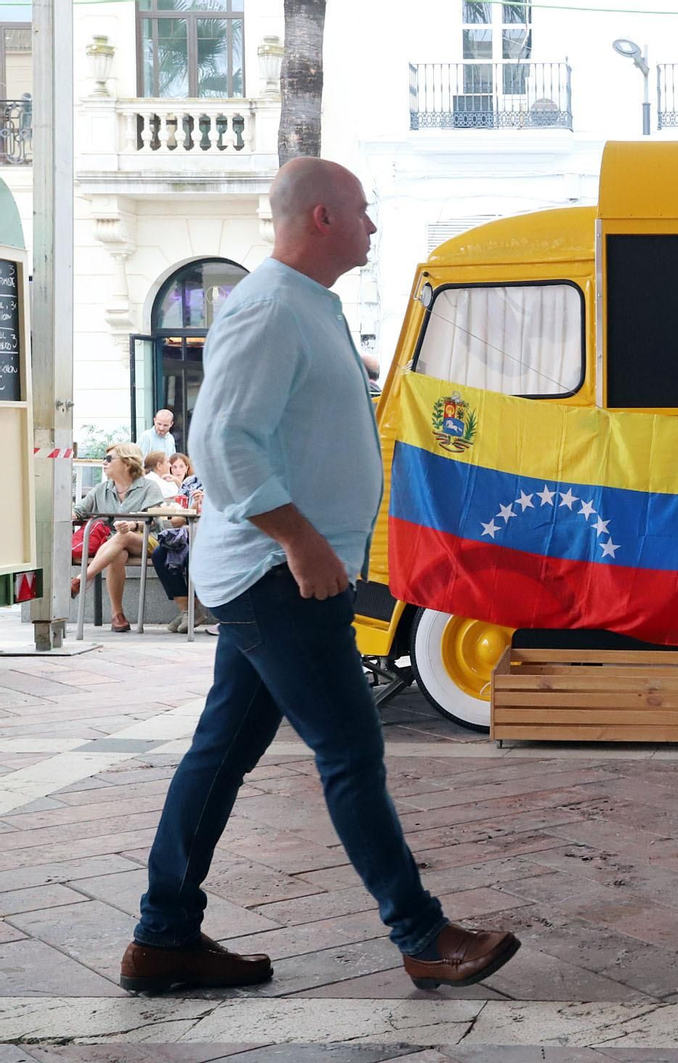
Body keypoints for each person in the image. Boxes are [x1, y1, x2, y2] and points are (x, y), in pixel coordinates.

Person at [120, 157, 520, 995]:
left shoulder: (307, 305)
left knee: (220, 756)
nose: (374, 226)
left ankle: (164, 937)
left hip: (280, 574)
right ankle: (421, 932)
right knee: (349, 749)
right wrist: (301, 540)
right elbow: (222, 442)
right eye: (364, 212)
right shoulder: (267, 307)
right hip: (281, 575)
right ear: (324, 218)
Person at [69, 443, 168, 633]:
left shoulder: (148, 486)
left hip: (147, 540)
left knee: (123, 537)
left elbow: (155, 519)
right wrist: (69, 514)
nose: (103, 463)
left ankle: (82, 578)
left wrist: (133, 525)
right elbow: (79, 510)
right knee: (118, 553)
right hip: (113, 546)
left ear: (127, 463)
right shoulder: (102, 489)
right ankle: (117, 615)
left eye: (108, 459)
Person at [154, 454, 204, 634]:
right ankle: (188, 611)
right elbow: (175, 521)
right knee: (159, 554)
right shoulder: (190, 482)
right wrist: (190, 508)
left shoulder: (225, 480)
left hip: (211, 536)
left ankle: (191, 612)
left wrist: (206, 504)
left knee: (195, 556)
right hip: (186, 533)